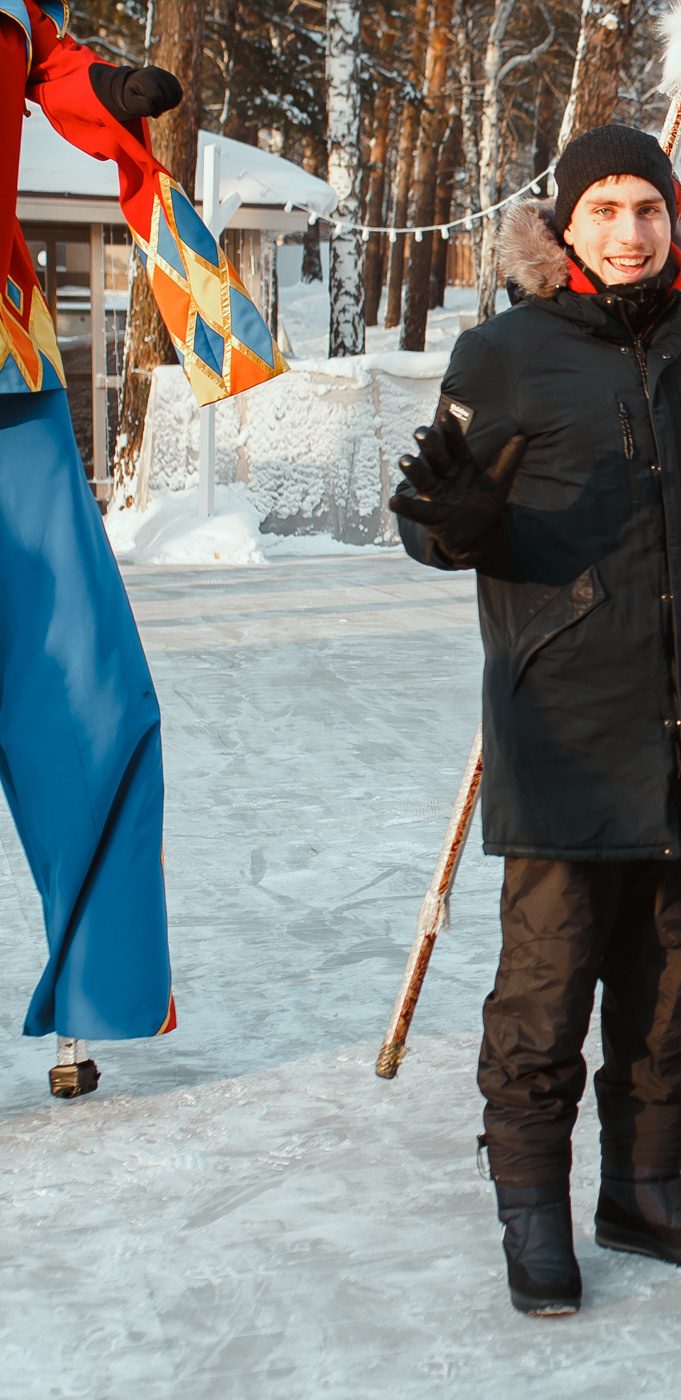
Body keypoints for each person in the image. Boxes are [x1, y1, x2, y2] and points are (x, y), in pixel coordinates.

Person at [390, 122, 681, 1316]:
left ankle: (644, 1187)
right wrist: (457, 522)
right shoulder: (506, 352)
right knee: (546, 996)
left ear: (673, 222)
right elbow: (439, 523)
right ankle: (533, 1209)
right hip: (564, 725)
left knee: (667, 986)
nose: (629, 231)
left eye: (647, 209)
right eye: (603, 209)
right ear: (564, 225)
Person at [3, 2, 280, 1087]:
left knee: (88, 691)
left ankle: (97, 986)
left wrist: (99, 87)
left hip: (8, 372)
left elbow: (51, 66)